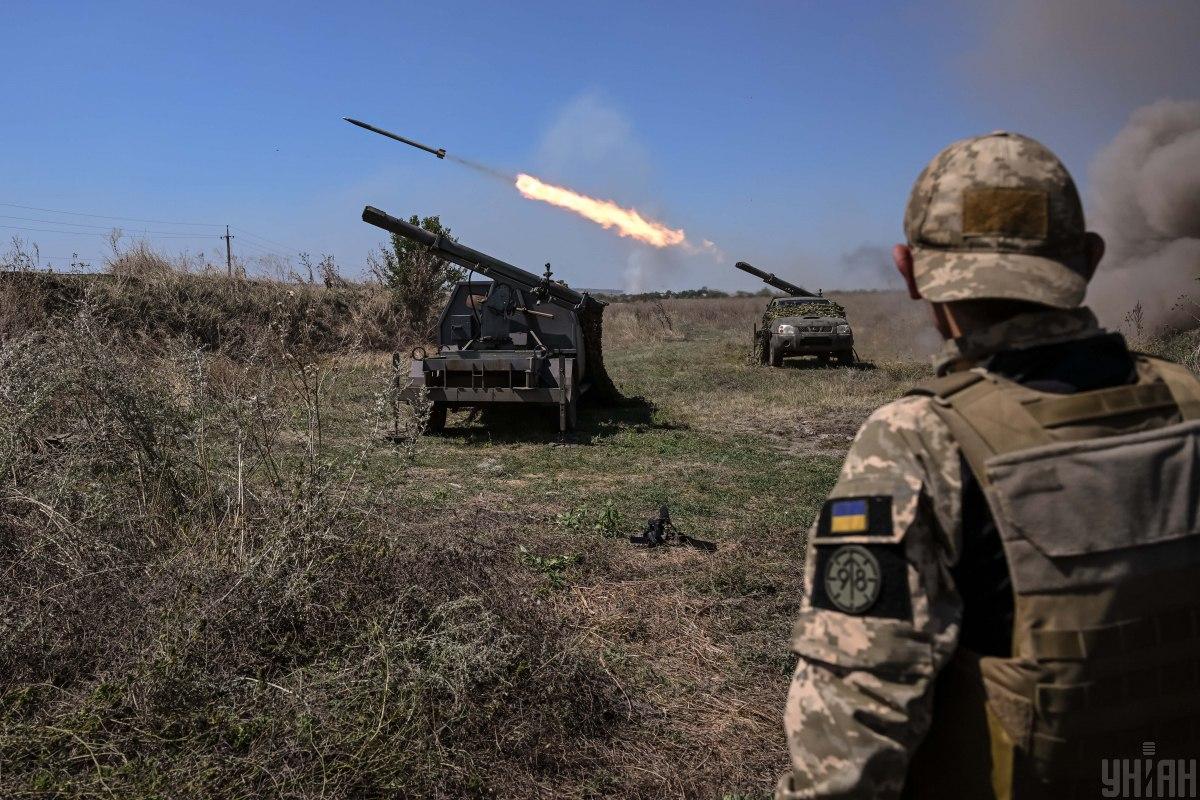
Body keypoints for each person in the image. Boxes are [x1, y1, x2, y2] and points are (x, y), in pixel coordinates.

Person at [777, 131, 1200, 799]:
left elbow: (852, 730)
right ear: (1090, 259)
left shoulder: (920, 439)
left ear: (910, 273)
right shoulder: (1189, 403)